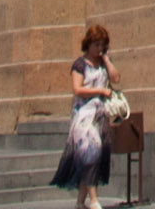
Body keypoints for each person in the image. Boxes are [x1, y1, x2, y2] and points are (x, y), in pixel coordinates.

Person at [50, 23, 118, 209]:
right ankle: (94, 200)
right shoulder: (80, 64)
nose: (99, 48)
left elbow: (116, 78)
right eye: (96, 44)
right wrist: (101, 91)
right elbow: (77, 89)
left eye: (102, 45)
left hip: (100, 116)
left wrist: (107, 60)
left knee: (93, 156)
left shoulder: (102, 63)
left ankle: (80, 202)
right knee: (91, 152)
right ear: (88, 44)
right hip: (83, 116)